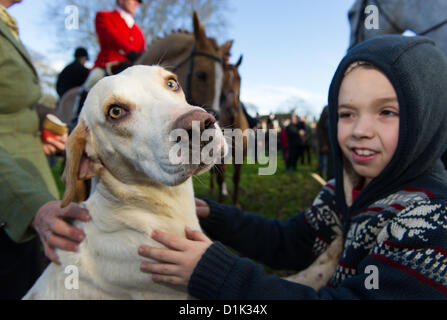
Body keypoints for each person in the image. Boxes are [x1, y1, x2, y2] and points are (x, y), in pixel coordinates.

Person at [137, 35, 447, 299]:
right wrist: (216, 216)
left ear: (428, 117)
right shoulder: (340, 193)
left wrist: (221, 275)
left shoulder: (433, 224)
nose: (360, 130)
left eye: (387, 111)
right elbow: (288, 241)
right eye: (347, 113)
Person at [0, 0, 90, 300]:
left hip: (29, 171)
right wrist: (32, 205)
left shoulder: (8, 26)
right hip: (11, 194)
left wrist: (38, 131)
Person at [70, 0, 145, 130]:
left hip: (130, 69)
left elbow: (142, 49)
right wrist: (129, 51)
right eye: (133, 0)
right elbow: (108, 37)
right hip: (108, 65)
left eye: (138, 2)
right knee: (93, 79)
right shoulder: (104, 16)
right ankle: (77, 121)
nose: (136, 3)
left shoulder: (138, 31)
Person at [316, 106, 330, 180]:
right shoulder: (327, 109)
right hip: (325, 145)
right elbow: (319, 129)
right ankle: (323, 177)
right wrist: (323, 144)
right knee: (324, 163)